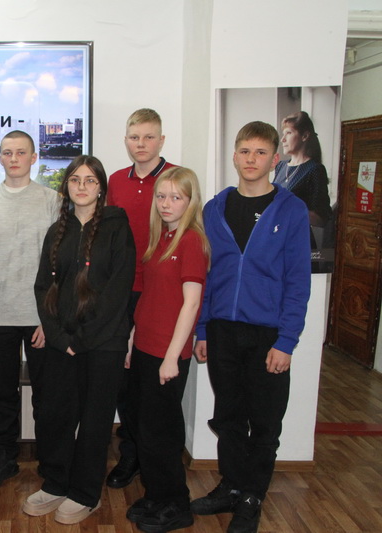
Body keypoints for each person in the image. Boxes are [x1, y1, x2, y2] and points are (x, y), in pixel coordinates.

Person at [191, 121, 310, 533]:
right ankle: (231, 486)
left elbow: (298, 281)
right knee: (227, 417)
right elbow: (207, 273)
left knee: (264, 422)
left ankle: (252, 496)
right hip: (222, 329)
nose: (251, 159)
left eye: (260, 152)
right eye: (245, 151)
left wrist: (287, 340)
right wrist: (202, 329)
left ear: (275, 159)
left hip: (268, 336)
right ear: (234, 155)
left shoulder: (291, 210)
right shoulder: (215, 208)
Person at [25, 155, 135, 525]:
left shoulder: (117, 228)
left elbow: (118, 291)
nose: (82, 186)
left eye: (90, 180)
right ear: (66, 186)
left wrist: (83, 339)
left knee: (94, 421)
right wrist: (59, 336)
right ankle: (56, 483)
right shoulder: (57, 230)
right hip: (62, 343)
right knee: (55, 415)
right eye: (75, 180)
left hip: (103, 344)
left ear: (101, 187)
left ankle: (86, 493)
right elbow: (43, 286)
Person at [0, 130, 60, 489]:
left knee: (46, 397)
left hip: (40, 318)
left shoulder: (53, 201)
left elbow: (61, 265)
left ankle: (50, 462)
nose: (14, 159)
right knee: (4, 396)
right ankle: (4, 458)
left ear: (34, 157)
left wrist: (50, 319)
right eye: (7, 153)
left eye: (21, 152)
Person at [124, 167, 209, 532]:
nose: (166, 203)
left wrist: (172, 357)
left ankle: (176, 505)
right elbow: (151, 297)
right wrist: (133, 339)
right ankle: (157, 495)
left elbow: (191, 304)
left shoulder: (191, 241)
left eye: (176, 197)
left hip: (167, 353)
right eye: (161, 196)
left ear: (191, 201)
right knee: (146, 429)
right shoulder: (161, 237)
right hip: (145, 346)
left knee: (162, 433)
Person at [105, 108, 175, 490]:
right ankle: (129, 454)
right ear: (126, 141)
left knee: (152, 384)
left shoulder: (175, 179)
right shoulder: (116, 181)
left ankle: (155, 463)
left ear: (161, 140)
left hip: (160, 295)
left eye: (149, 137)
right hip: (121, 293)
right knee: (122, 380)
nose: (141, 144)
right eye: (135, 137)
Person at [273, 111, 332, 249]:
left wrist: (290, 210)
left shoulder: (315, 169)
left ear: (304, 136)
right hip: (276, 238)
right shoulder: (281, 166)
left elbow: (321, 218)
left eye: (288, 133)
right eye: (283, 134)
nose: (283, 140)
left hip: (298, 242)